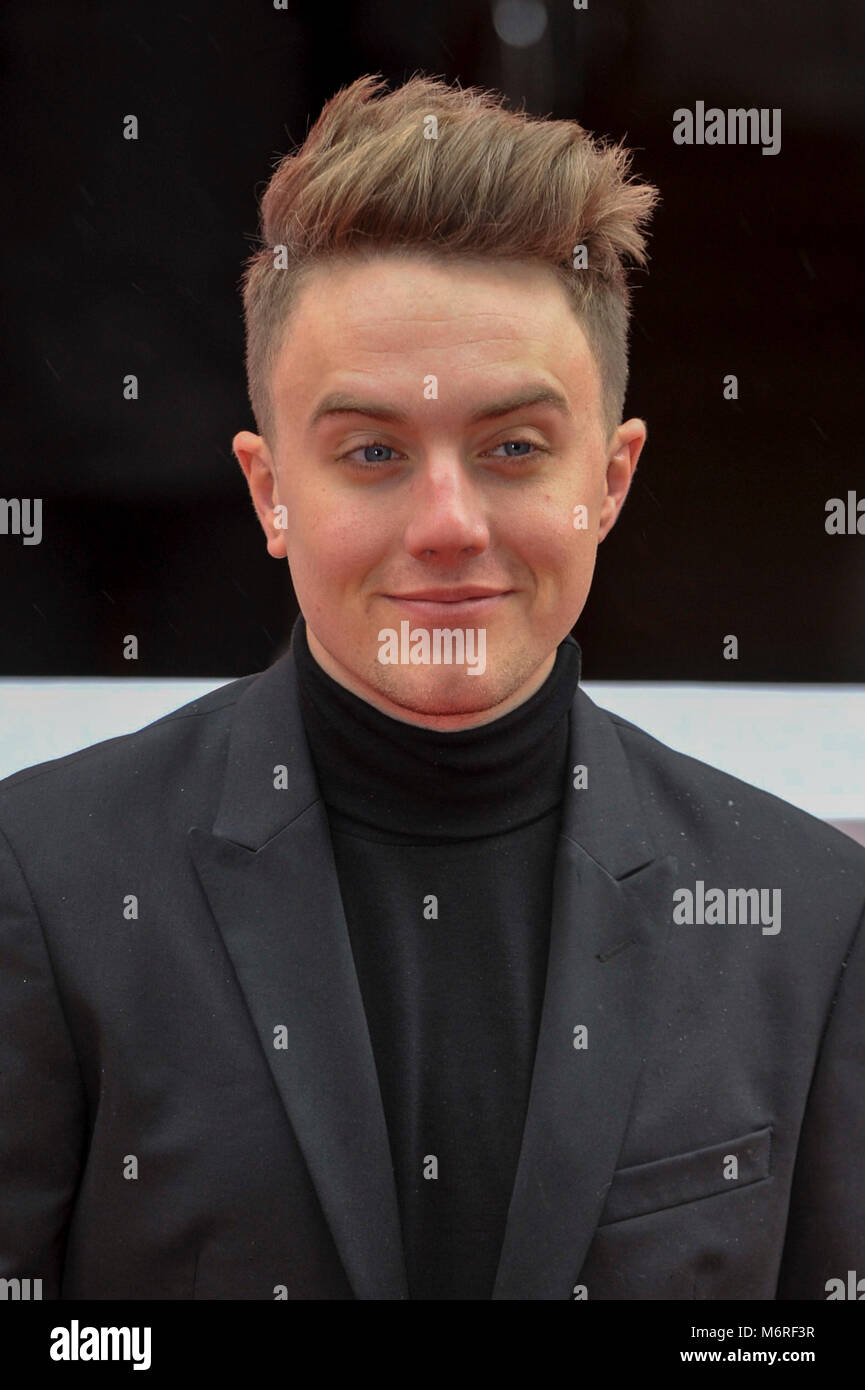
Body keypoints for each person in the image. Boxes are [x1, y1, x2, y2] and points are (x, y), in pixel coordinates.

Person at [1, 73, 863, 1302]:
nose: (448, 524)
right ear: (267, 492)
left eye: (513, 447)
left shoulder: (809, 915)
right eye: (371, 454)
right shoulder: (46, 877)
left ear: (611, 480)